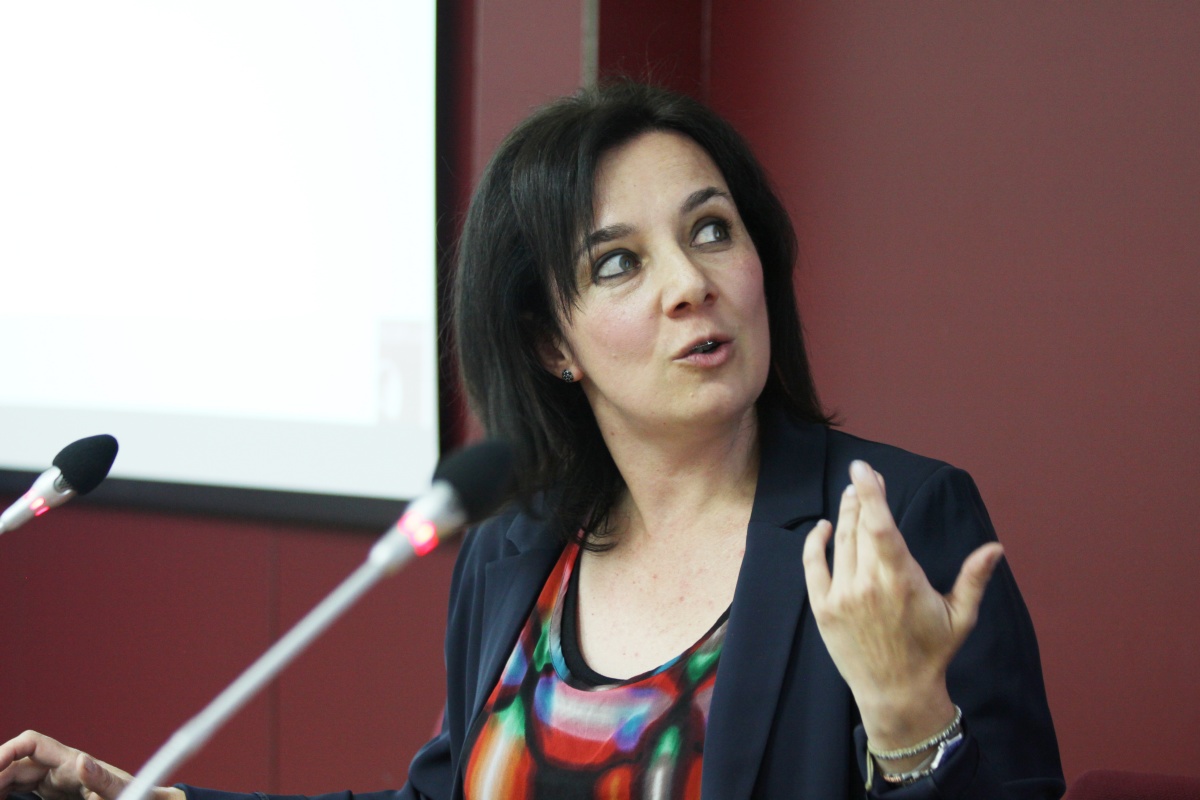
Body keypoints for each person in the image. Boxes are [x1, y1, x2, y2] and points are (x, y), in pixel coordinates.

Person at [0, 81, 1063, 799]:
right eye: (618, 263)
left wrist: (912, 726)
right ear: (551, 343)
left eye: (710, 229)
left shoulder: (893, 524)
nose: (690, 283)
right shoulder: (516, 552)